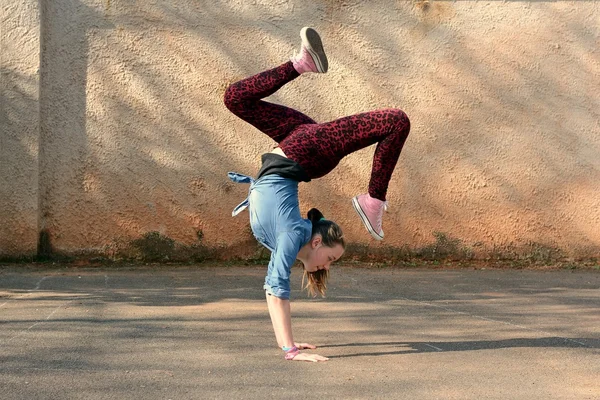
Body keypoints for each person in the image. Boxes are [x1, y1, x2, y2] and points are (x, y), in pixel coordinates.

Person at [224, 27, 410, 362]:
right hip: (303, 150)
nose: (329, 265)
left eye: (332, 261)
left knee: (236, 99)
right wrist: (290, 349)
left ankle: (302, 63)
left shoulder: (290, 238)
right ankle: (373, 200)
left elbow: (274, 289)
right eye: (332, 257)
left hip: (295, 146)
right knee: (396, 121)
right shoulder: (295, 234)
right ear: (315, 242)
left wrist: (290, 347)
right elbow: (275, 290)